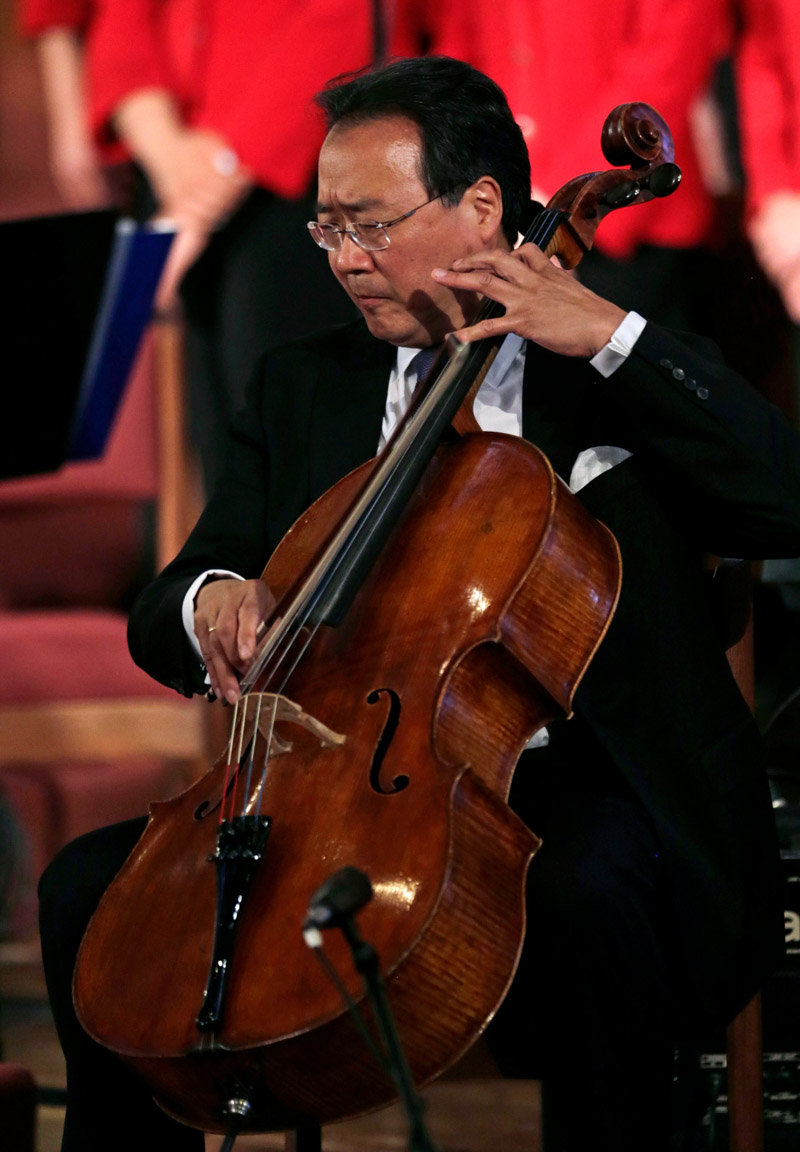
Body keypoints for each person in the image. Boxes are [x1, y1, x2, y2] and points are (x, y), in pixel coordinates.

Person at [39, 57, 800, 1152]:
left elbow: (782, 498)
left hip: (595, 794)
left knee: (585, 896)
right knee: (85, 896)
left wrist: (608, 337)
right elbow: (171, 597)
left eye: (370, 224)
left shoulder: (611, 368)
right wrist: (212, 601)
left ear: (481, 207)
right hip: (341, 802)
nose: (344, 260)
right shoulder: (300, 385)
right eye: (324, 229)